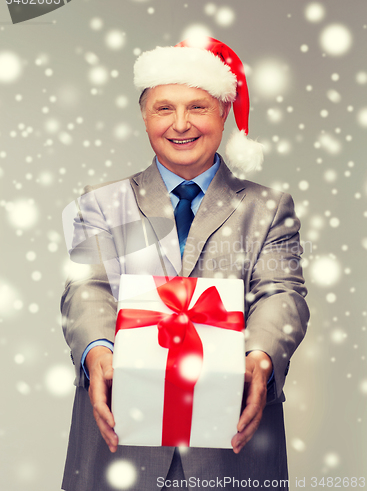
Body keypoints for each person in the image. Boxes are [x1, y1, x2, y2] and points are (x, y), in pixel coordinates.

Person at [61, 37, 309, 491]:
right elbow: (88, 288)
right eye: (163, 109)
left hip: (231, 448)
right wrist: (98, 350)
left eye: (197, 107)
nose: (180, 125)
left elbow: (282, 293)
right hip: (122, 440)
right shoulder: (102, 204)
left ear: (223, 113)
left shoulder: (269, 208)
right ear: (144, 115)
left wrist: (261, 358)